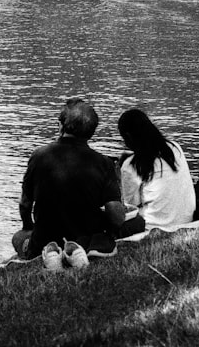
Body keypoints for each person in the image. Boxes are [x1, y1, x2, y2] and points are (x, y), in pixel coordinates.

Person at [12, 98, 126, 262]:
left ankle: (46, 254)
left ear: (61, 126)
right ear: (92, 132)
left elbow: (25, 204)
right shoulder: (104, 163)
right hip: (84, 240)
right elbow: (116, 216)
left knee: (18, 237)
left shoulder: (38, 156)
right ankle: (78, 252)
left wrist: (28, 227)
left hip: (44, 240)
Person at [116, 108, 196, 236]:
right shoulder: (175, 148)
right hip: (186, 219)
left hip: (153, 226)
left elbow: (131, 207)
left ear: (129, 137)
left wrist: (119, 176)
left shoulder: (130, 166)